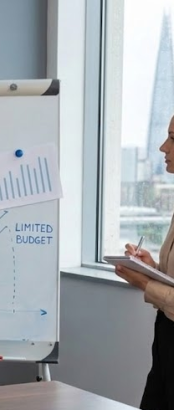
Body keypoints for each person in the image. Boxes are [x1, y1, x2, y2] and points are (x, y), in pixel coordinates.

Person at [116, 113, 174, 410]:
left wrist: (146, 283)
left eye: (173, 138)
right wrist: (152, 267)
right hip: (166, 335)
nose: (163, 147)